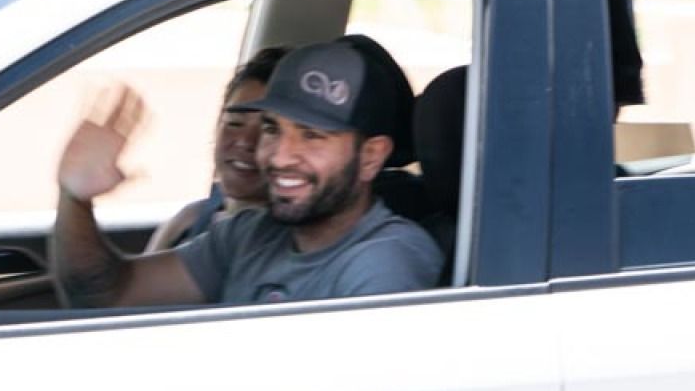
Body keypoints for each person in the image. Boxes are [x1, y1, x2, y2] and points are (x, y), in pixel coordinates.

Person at [51, 39, 443, 308]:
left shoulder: (385, 261)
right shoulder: (251, 234)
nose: (279, 156)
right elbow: (107, 293)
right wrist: (76, 197)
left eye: (312, 136)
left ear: (371, 157)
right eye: (273, 129)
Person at [143, 47, 289, 252]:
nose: (245, 141)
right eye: (234, 123)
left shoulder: (294, 245)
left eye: (268, 130)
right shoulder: (189, 220)